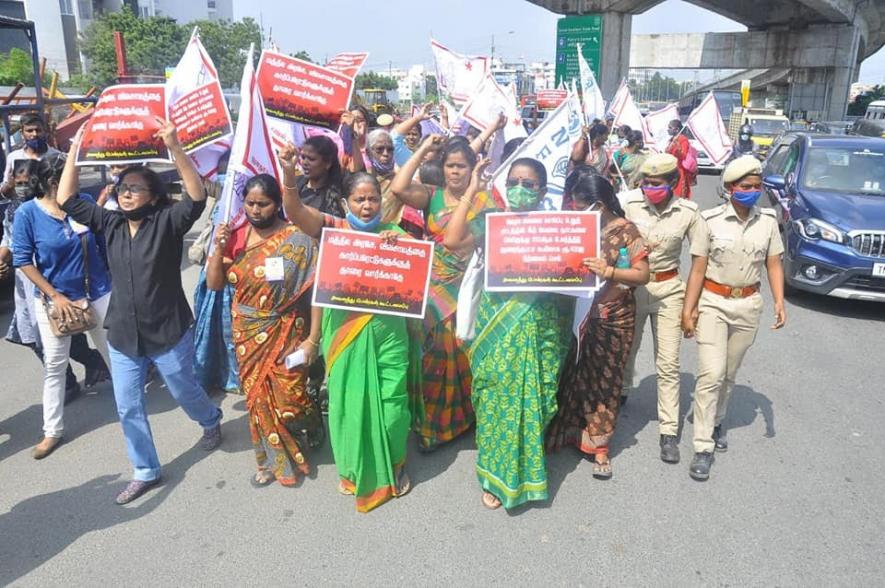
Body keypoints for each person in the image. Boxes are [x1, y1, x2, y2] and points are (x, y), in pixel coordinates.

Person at [58, 120, 223, 505]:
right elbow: (67, 198)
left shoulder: (167, 223)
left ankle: (210, 420)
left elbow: (196, 198)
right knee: (128, 404)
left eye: (135, 188)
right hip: (123, 335)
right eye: (122, 188)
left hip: (168, 330)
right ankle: (145, 470)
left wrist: (175, 146)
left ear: (152, 195)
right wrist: (75, 152)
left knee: (184, 388)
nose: (126, 193)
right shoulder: (109, 223)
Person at [279, 142, 415, 512]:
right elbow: (293, 212)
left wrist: (396, 249)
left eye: (372, 199)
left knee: (393, 406)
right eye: (359, 200)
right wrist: (290, 174)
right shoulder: (333, 234)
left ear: (381, 202)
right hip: (343, 338)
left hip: (390, 338)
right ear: (346, 204)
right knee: (347, 404)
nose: (367, 206)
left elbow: (416, 285)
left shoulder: (399, 236)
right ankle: (353, 470)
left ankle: (395, 465)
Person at [445, 157, 572, 510]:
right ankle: (492, 474)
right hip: (496, 321)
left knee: (537, 395)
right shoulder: (491, 222)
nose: (519, 189)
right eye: (513, 181)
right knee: (496, 394)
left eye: (528, 184)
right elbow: (453, 240)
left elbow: (574, 272)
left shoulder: (556, 228)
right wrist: (472, 189)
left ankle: (527, 469)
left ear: (542, 191)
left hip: (541, 322)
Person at [206, 173, 323, 487]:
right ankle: (271, 461)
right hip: (246, 331)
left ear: (276, 205)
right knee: (258, 398)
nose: (255, 210)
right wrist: (218, 248)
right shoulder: (234, 236)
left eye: (263, 204)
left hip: (287, 328)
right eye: (250, 203)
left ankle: (310, 420)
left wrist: (313, 338)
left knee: (291, 401)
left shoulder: (296, 239)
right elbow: (215, 284)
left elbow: (316, 291)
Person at [681, 155, 786, 481]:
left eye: (757, 187)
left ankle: (716, 418)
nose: (752, 192)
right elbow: (697, 269)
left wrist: (779, 301)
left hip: (748, 304)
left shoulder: (767, 221)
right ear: (729, 188)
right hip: (713, 301)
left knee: (728, 373)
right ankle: (703, 445)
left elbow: (773, 264)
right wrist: (689, 308)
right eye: (745, 186)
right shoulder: (709, 220)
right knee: (711, 373)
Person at [390, 135, 495, 451]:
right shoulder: (432, 196)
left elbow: (459, 240)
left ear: (472, 168)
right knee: (433, 356)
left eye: (462, 166)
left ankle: (464, 418)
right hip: (434, 286)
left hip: (468, 286)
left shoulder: (486, 201)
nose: (455, 173)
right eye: (450, 166)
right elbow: (397, 188)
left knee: (463, 354)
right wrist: (422, 150)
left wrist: (474, 190)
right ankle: (433, 426)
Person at [547, 171, 650, 479]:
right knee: (573, 374)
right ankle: (568, 431)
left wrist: (609, 272)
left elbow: (642, 274)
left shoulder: (626, 231)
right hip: (576, 314)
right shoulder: (576, 230)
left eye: (581, 205)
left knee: (604, 381)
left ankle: (599, 445)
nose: (576, 210)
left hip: (613, 316)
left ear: (600, 204)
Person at [12, 154, 113, 459]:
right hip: (55, 303)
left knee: (115, 353)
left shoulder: (82, 203)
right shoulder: (28, 213)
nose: (76, 183)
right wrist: (55, 296)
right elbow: (23, 261)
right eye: (70, 177)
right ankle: (52, 431)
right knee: (55, 366)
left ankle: (130, 406)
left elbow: (106, 238)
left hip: (98, 292)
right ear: (50, 182)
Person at [620, 153, 703, 464]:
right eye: (645, 183)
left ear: (672, 183)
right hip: (634, 286)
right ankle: (622, 392)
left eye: (656, 184)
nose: (649, 189)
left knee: (667, 362)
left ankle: (668, 431)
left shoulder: (688, 213)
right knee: (628, 348)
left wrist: (690, 308)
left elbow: (699, 259)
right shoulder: (629, 203)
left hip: (669, 289)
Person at [1, 113, 61, 198]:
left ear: (45, 131)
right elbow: (5, 194)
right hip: (22, 205)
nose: (35, 134)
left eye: (38, 130)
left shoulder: (57, 157)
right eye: (30, 131)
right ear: (22, 133)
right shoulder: (13, 157)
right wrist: (9, 186)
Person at [291, 135, 345, 218]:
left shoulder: (341, 190)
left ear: (328, 163)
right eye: (303, 157)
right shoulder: (295, 184)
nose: (304, 163)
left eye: (311, 159)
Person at [391, 102, 432, 167]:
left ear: (420, 135)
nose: (411, 137)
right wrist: (418, 117)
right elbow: (394, 137)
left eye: (414, 134)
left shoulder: (426, 153)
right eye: (408, 134)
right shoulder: (404, 154)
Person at [666, 119, 694, 199]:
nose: (668, 130)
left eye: (670, 127)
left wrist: (677, 144)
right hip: (670, 169)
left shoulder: (683, 139)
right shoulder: (671, 140)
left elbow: (683, 155)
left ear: (677, 129)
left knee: (678, 193)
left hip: (679, 170)